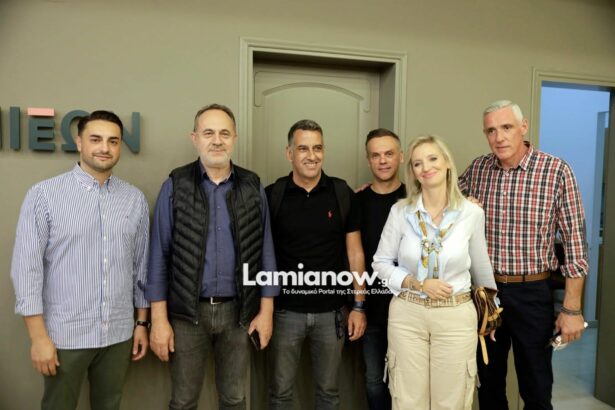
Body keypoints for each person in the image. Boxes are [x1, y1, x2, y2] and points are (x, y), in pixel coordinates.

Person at [10, 110, 150, 410]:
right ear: (79, 142)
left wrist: (141, 323)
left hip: (118, 333)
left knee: (110, 405)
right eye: (95, 139)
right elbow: (26, 270)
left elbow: (141, 267)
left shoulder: (134, 199)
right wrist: (38, 338)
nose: (105, 148)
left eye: (113, 141)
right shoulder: (45, 195)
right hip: (65, 336)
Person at [145, 103, 278, 410]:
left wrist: (266, 312)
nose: (217, 140)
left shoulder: (252, 185)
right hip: (186, 314)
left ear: (234, 138)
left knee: (235, 398)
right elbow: (159, 256)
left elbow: (266, 252)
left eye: (224, 133)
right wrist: (159, 320)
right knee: (183, 401)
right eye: (208, 133)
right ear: (195, 138)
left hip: (239, 313)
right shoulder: (175, 185)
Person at [459, 100, 588, 410]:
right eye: (491, 130)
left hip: (532, 292)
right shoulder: (477, 169)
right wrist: (385, 187)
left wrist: (572, 309)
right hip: (486, 292)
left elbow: (576, 245)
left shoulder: (556, 171)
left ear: (523, 127)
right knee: (488, 383)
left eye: (506, 127)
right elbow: (441, 196)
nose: (499, 137)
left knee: (536, 387)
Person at [373, 134, 497, 410]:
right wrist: (416, 283)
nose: (426, 167)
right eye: (417, 163)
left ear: (447, 163)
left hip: (455, 316)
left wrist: (491, 314)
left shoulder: (471, 213)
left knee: (451, 402)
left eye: (432, 159)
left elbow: (481, 266)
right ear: (413, 171)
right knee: (408, 401)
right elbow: (380, 263)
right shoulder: (400, 211)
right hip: (407, 315)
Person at [266, 119, 367, 410]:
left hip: (331, 313)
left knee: (329, 393)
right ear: (289, 153)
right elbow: (261, 255)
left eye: (318, 148)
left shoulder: (341, 193)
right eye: (303, 149)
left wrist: (359, 305)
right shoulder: (273, 195)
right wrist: (264, 309)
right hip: (285, 313)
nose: (312, 155)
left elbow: (355, 254)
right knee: (281, 393)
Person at [356, 128, 406, 410]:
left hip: (410, 308)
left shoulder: (416, 198)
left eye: (389, 153)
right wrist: (356, 306)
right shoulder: (357, 201)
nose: (383, 160)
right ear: (368, 160)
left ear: (401, 156)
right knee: (374, 381)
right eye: (376, 155)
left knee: (408, 383)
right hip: (371, 309)